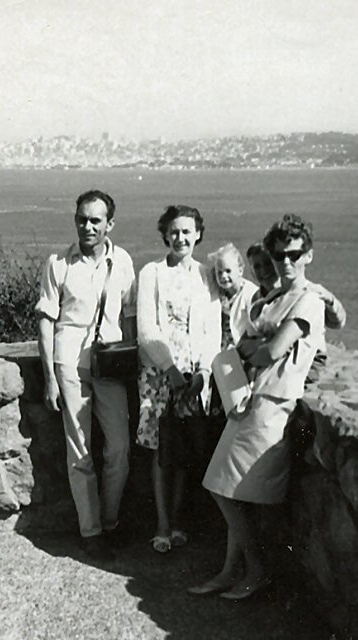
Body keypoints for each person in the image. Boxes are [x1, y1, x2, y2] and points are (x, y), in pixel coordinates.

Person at [189, 214, 324, 599]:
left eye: (293, 254)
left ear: (308, 256)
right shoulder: (277, 298)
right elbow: (253, 346)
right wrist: (252, 349)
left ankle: (256, 570)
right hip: (253, 400)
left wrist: (252, 349)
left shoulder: (308, 301)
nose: (285, 262)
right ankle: (233, 571)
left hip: (273, 408)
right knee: (228, 489)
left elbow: (270, 352)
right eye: (278, 254)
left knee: (227, 490)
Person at [35, 190, 137, 562]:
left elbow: (128, 318)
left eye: (96, 220)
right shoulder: (58, 263)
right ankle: (91, 532)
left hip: (110, 363)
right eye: (82, 218)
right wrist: (49, 378)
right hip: (70, 362)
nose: (88, 226)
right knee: (80, 450)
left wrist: (131, 364)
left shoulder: (122, 261)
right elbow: (46, 321)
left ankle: (109, 521)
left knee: (120, 450)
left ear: (110, 223)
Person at [136, 205, 222, 553]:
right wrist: (169, 369)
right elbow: (146, 329)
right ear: (164, 235)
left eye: (187, 231)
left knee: (183, 450)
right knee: (160, 451)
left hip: (194, 379)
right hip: (159, 375)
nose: (180, 237)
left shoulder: (206, 275)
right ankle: (162, 524)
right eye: (174, 231)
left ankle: (180, 520)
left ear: (198, 234)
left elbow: (213, 329)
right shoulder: (151, 273)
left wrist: (203, 371)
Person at [245, 241, 346, 382]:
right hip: (274, 356)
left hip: (305, 359)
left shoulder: (302, 292)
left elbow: (338, 322)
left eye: (268, 264)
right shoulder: (257, 299)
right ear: (251, 271)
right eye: (257, 266)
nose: (263, 271)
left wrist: (330, 299)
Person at [209, 243, 258, 350]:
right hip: (221, 348)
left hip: (243, 348)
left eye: (228, 271)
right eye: (219, 272)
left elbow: (255, 327)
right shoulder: (218, 293)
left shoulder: (250, 294)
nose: (223, 276)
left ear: (240, 270)